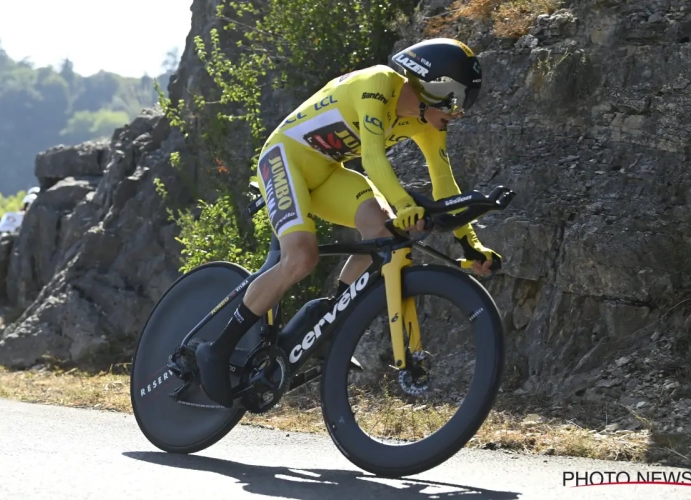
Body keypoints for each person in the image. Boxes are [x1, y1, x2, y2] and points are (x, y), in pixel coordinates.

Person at [196, 37, 503, 407]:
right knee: (302, 258)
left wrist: (470, 245)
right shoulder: (379, 84)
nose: (457, 112)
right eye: (455, 100)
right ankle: (216, 349)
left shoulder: (429, 123)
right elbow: (372, 158)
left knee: (384, 233)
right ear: (432, 86)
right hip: (285, 159)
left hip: (327, 172)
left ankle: (326, 320)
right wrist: (404, 203)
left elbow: (444, 185)